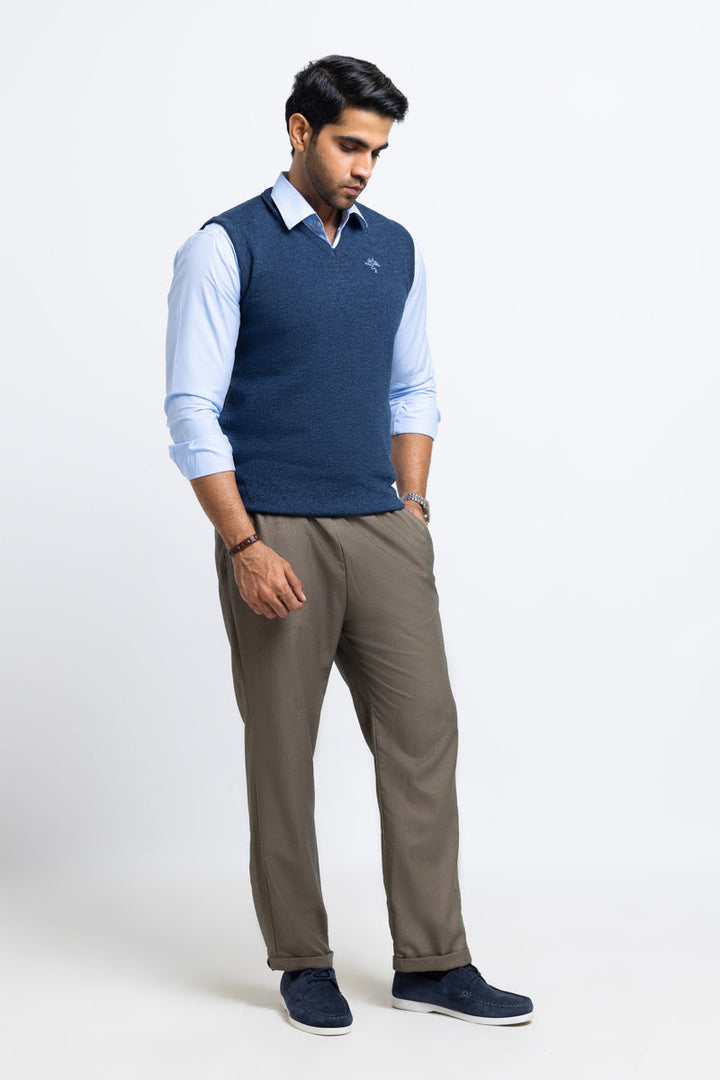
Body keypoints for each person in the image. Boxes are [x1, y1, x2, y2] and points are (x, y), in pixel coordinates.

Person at [164, 53, 533, 1036]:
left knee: (424, 738)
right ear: (299, 131)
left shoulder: (394, 248)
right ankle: (303, 960)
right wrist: (243, 543)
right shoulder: (224, 247)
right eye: (348, 145)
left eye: (378, 150)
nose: (365, 166)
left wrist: (413, 505)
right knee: (283, 753)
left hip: (382, 526)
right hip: (274, 529)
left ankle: (434, 960)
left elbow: (413, 386)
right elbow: (191, 408)